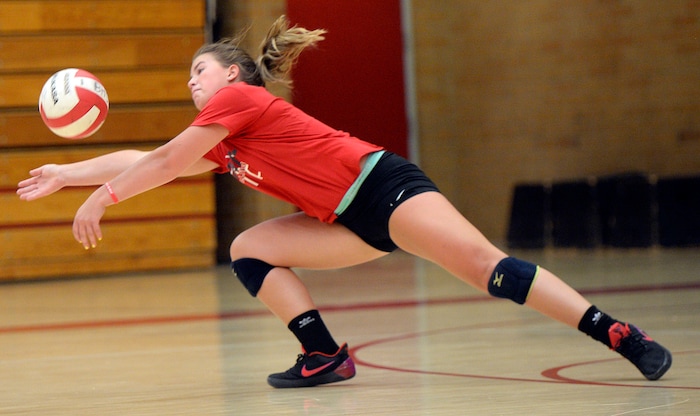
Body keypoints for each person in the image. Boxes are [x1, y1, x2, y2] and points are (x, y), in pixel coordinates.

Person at [17, 16, 672, 388]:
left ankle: (616, 332)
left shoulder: (239, 102)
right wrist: (68, 172)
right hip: (340, 220)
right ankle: (324, 355)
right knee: (250, 250)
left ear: (236, 76)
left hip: (383, 189)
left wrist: (101, 198)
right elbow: (149, 161)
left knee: (488, 270)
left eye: (200, 69)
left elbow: (160, 163)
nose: (192, 81)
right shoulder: (216, 135)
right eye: (189, 74)